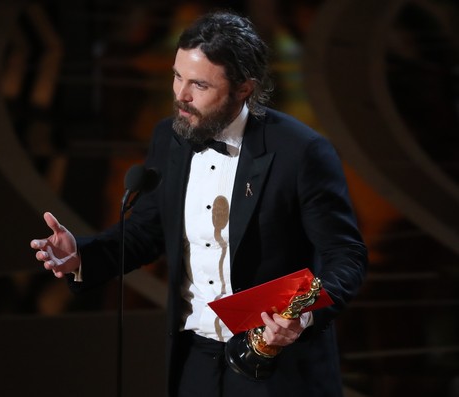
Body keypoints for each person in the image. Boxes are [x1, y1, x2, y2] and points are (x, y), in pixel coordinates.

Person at [30, 10, 367, 397]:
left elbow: (346, 255)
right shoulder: (169, 137)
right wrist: (82, 257)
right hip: (194, 359)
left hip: (277, 366)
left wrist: (301, 315)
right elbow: (149, 229)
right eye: (177, 76)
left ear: (244, 89)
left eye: (199, 85)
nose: (180, 96)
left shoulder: (301, 152)